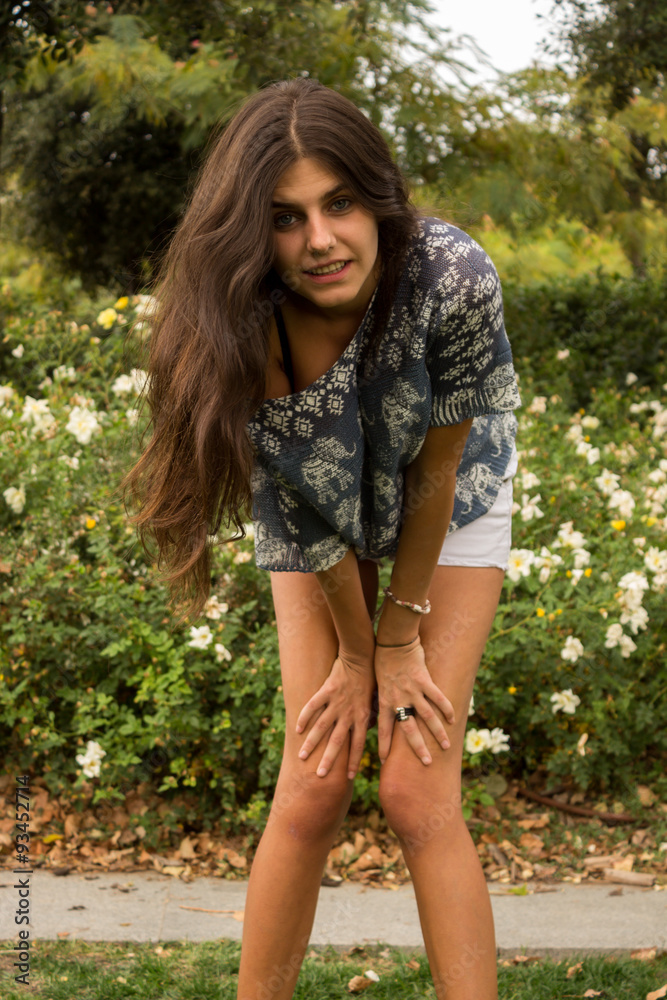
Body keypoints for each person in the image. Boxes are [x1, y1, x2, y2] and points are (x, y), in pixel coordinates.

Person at [122, 77, 521, 1000]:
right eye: (285, 217)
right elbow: (304, 505)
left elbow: (434, 474)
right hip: (315, 509)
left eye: (338, 204)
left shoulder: (452, 280)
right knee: (313, 782)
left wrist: (396, 637)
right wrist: (353, 652)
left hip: (448, 497)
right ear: (253, 231)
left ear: (377, 197)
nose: (319, 240)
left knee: (416, 791)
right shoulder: (243, 314)